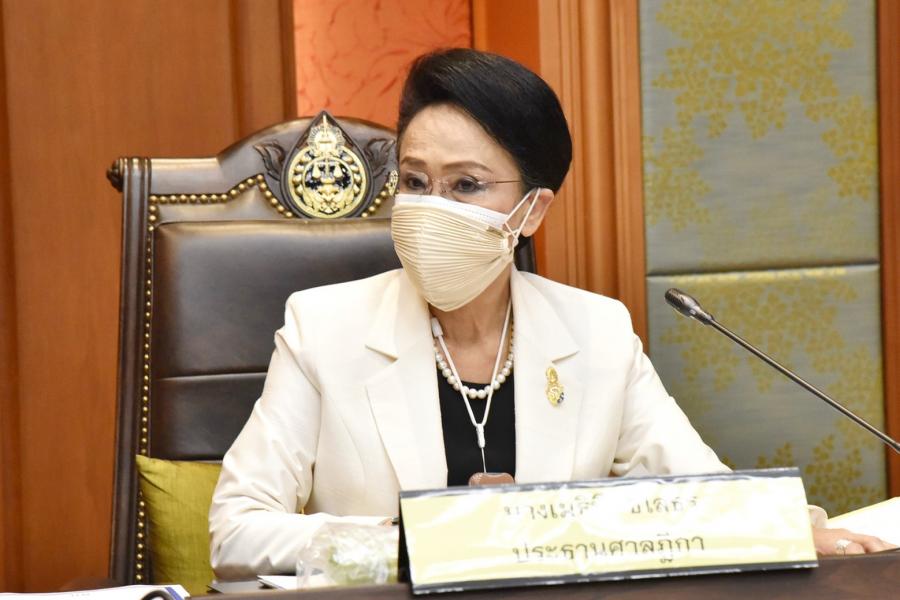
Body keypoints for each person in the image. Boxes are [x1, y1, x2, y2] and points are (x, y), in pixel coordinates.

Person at [209, 48, 893, 578]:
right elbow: (236, 531)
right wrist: (413, 543)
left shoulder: (596, 333)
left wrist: (796, 529)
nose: (431, 208)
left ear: (531, 210)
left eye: (466, 185)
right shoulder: (323, 328)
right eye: (415, 182)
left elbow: (701, 494)